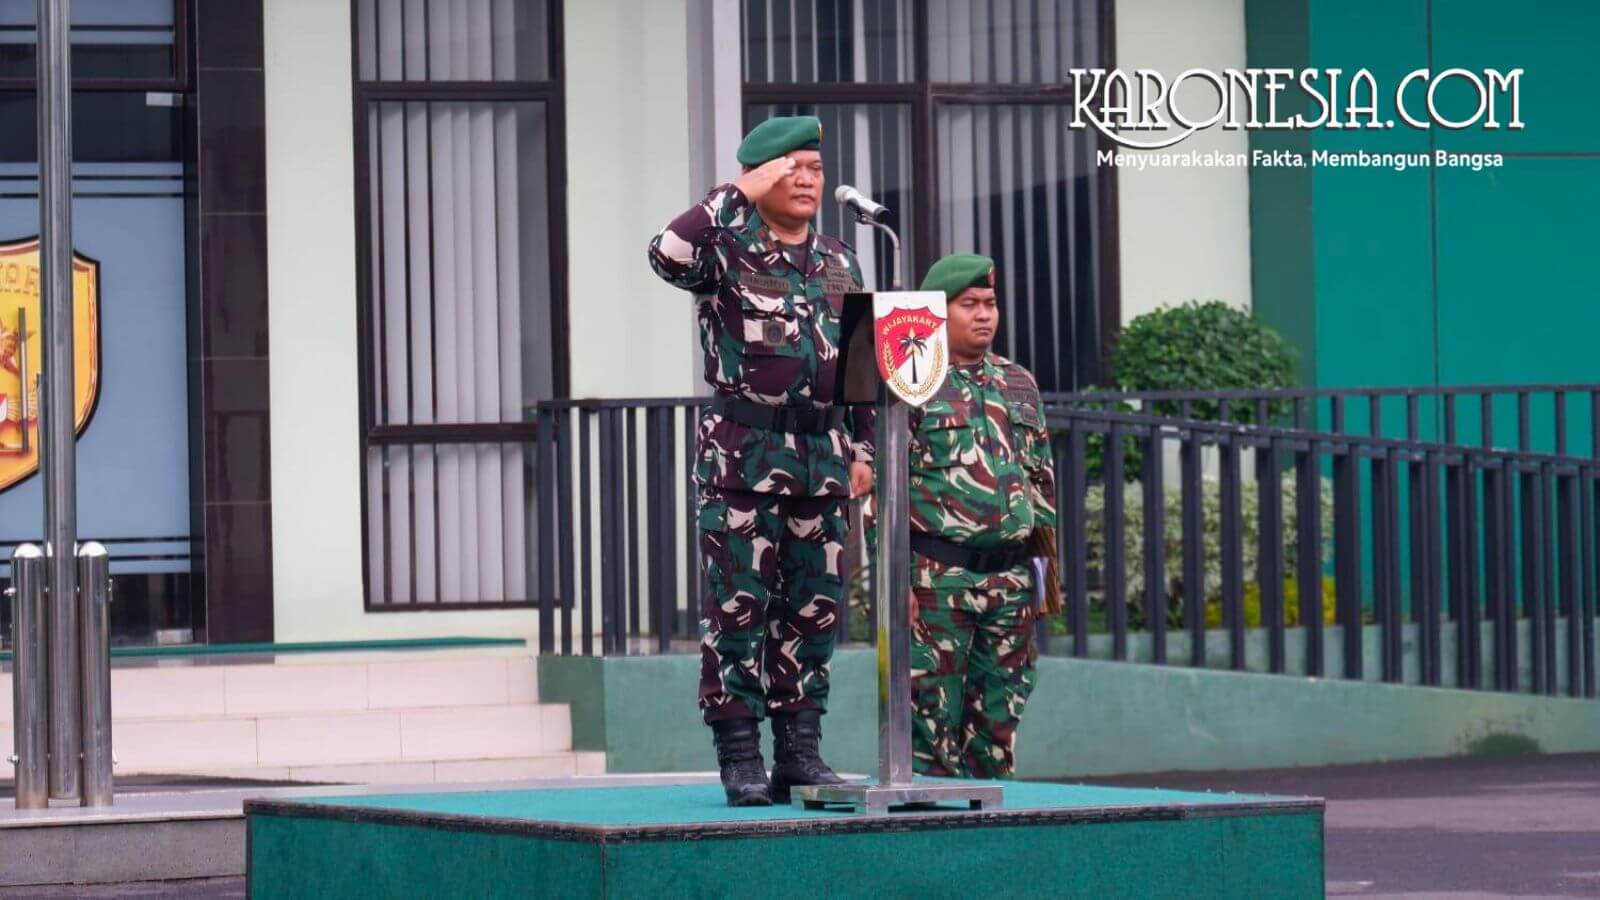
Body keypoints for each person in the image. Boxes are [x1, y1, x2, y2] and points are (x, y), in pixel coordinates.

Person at [646, 115, 874, 806]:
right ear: (759, 177)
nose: (806, 181)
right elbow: (666, 253)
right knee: (738, 612)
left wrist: (863, 448)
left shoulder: (842, 259)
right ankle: (740, 758)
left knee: (813, 613)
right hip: (742, 461)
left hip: (824, 464)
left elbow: (861, 368)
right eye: (790, 169)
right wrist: (735, 193)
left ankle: (800, 754)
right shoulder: (726, 250)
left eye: (814, 170)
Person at [906, 252, 1057, 779]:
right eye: (967, 304)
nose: (983, 314)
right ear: (937, 312)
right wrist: (890, 584)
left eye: (990, 303)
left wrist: (1045, 580)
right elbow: (884, 489)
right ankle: (930, 840)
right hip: (936, 579)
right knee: (930, 721)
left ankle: (994, 837)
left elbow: (1041, 480)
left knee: (1000, 717)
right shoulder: (913, 380)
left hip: (1011, 578)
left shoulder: (1019, 382)